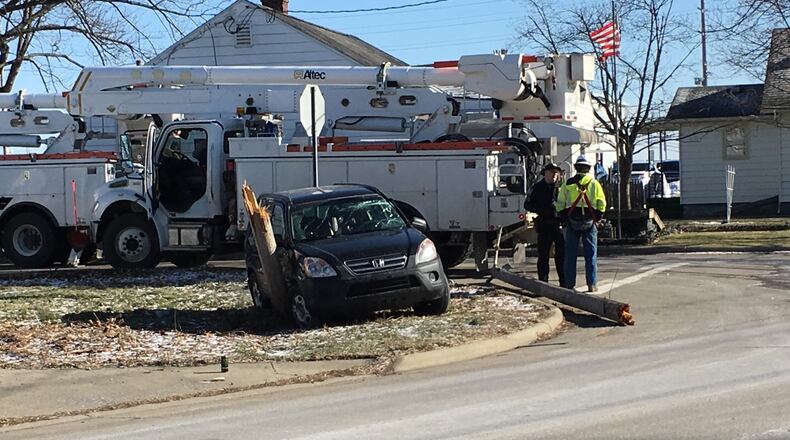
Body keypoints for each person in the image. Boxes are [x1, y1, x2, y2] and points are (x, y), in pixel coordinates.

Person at [556, 155, 607, 293]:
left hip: (572, 221)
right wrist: (598, 217)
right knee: (591, 255)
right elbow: (602, 203)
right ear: (588, 168)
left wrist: (563, 217)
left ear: (576, 167)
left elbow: (560, 203)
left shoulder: (567, 183)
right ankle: (592, 284)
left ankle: (569, 284)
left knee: (570, 255)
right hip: (589, 222)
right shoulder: (594, 183)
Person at [524, 162, 565, 286]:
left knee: (562, 256)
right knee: (543, 255)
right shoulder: (537, 188)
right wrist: (541, 208)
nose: (554, 175)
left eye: (556, 173)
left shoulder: (562, 188)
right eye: (552, 172)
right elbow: (527, 204)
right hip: (544, 224)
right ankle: (543, 281)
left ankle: (563, 281)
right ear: (545, 173)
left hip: (559, 225)